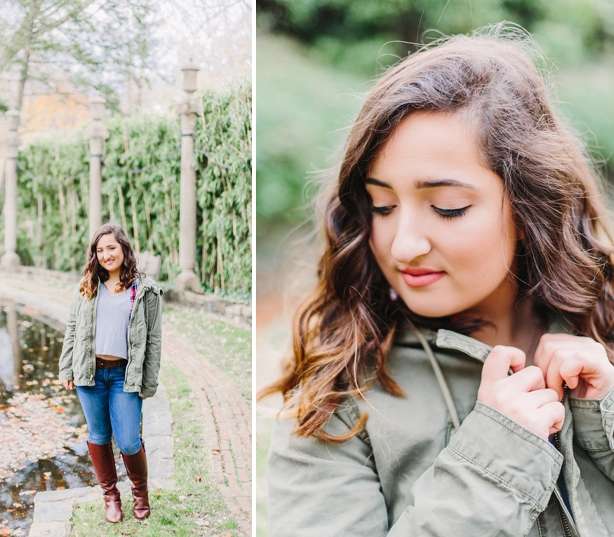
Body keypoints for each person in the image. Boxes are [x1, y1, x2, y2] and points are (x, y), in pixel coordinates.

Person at [261, 25, 614, 536]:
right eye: (382, 205)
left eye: (448, 208)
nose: (403, 244)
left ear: (531, 203)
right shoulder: (338, 397)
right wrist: (493, 462)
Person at [59, 222, 162, 523]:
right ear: (95, 255)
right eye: (100, 250)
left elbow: (153, 339)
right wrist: (67, 368)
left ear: (124, 249)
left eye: (111, 248)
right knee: (99, 436)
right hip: (89, 374)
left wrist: (149, 380)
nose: (106, 255)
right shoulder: (86, 287)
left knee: (129, 440)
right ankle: (110, 496)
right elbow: (72, 330)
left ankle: (140, 492)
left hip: (123, 376)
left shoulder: (145, 291)